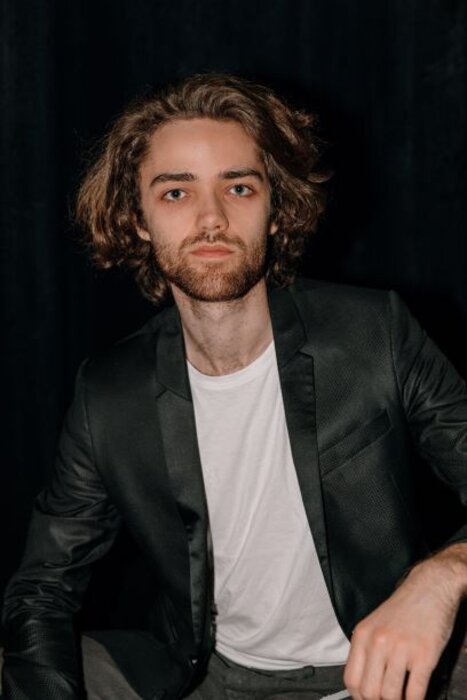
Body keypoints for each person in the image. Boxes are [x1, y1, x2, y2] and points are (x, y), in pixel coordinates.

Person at [2, 73, 467, 700]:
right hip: (211, 676)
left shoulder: (373, 333)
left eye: (239, 187)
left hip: (388, 667)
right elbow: (42, 589)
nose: (211, 218)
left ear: (275, 209)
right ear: (138, 220)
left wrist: (440, 576)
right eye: (176, 192)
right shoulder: (108, 394)